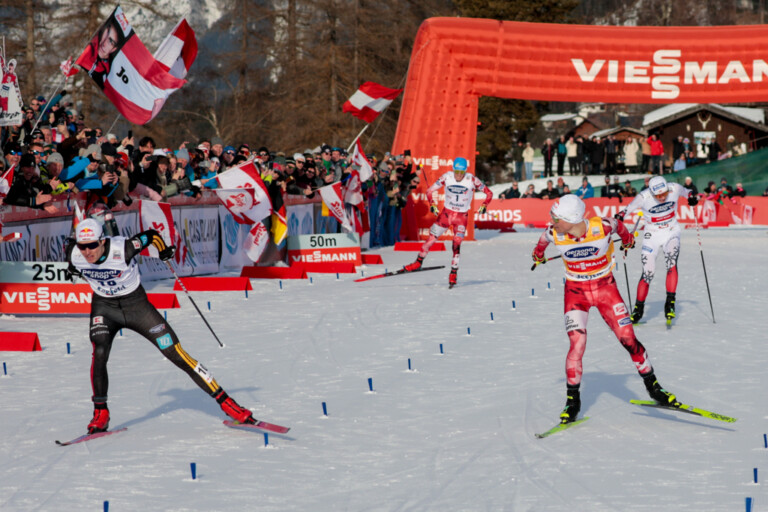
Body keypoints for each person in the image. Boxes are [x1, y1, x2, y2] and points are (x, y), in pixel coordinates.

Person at [66, 218, 258, 434]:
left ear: (102, 240)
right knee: (99, 352)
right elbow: (71, 261)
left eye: (92, 245)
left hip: (136, 307)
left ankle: (227, 403)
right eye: (83, 246)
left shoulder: (124, 248)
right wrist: (72, 270)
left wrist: (164, 250)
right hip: (105, 308)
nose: (87, 251)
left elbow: (151, 234)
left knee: (174, 352)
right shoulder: (74, 252)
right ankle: (101, 413)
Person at [532, 194, 678, 424]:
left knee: (628, 340)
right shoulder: (553, 233)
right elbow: (540, 246)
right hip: (575, 293)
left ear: (572, 218)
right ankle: (572, 402)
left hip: (605, 290)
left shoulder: (604, 226)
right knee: (577, 344)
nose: (552, 221)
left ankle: (654, 387)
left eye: (556, 218)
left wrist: (628, 240)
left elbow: (621, 227)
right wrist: (537, 255)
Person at [615, 176, 698, 324]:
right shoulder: (644, 196)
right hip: (651, 235)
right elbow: (626, 210)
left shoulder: (674, 188)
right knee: (648, 273)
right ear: (651, 192)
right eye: (658, 195)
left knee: (671, 262)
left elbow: (688, 191)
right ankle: (638, 309)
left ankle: (670, 303)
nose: (662, 197)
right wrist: (619, 217)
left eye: (664, 194)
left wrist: (692, 197)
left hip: (671, 231)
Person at [402, 157, 492, 287]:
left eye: (462, 172)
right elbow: (429, 191)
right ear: (453, 170)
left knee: (456, 245)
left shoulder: (472, 179)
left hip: (461, 217)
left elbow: (489, 193)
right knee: (431, 239)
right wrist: (432, 204)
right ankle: (418, 262)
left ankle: (453, 273)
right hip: (446, 215)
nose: (459, 175)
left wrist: (484, 205)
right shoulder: (447, 177)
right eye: (457, 172)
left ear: (465, 171)